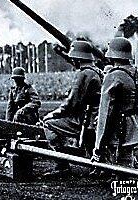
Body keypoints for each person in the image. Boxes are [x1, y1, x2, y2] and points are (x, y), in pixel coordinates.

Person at [42, 40, 103, 174]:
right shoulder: (96, 71)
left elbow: (72, 102)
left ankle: (62, 164)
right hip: (95, 117)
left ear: (77, 58)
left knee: (49, 124)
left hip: (87, 120)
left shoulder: (84, 74)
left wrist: (53, 114)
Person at [92, 37, 138, 168]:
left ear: (112, 55)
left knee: (118, 160)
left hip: (119, 126)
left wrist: (98, 147)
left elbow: (105, 111)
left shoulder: (113, 75)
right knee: (127, 155)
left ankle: (123, 179)